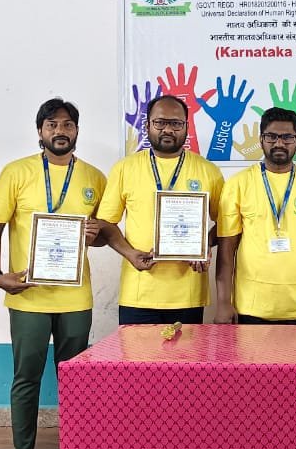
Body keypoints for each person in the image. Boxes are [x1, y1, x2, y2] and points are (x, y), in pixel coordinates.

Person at [0, 98, 106, 449]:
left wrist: (97, 235)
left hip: (75, 298)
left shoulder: (94, 177)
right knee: (26, 379)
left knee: (75, 383)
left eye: (67, 124)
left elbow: (103, 234)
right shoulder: (16, 172)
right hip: (29, 295)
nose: (60, 131)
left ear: (77, 131)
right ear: (40, 131)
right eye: (52, 124)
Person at [96, 94, 224, 324]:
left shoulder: (209, 171)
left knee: (187, 350)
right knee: (135, 350)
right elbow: (106, 222)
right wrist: (129, 254)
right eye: (160, 122)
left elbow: (225, 224)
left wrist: (204, 244)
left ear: (186, 127)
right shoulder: (125, 168)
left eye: (176, 123)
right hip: (138, 292)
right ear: (147, 126)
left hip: (188, 294)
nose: (168, 129)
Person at [214, 108, 296, 324]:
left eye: (287, 137)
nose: (279, 143)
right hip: (250, 306)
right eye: (271, 136)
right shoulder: (238, 184)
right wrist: (223, 301)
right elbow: (226, 247)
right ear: (261, 140)